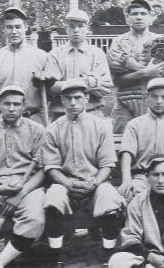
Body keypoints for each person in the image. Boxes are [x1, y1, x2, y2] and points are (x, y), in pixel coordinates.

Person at [42, 79, 125, 266]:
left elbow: (107, 164)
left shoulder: (101, 126)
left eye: (78, 98)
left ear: (86, 98)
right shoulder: (52, 129)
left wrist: (94, 183)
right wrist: (68, 184)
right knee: (53, 198)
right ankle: (56, 258)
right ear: (62, 100)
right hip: (64, 183)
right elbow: (51, 167)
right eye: (68, 98)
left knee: (109, 196)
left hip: (95, 182)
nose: (73, 103)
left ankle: (107, 254)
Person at [0, 85, 45, 267]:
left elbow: (43, 171)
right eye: (7, 104)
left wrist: (20, 195)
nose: (12, 108)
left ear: (23, 107)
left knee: (34, 219)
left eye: (16, 104)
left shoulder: (37, 130)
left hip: (28, 188)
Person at [0, 7, 48, 126]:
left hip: (33, 122)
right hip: (3, 123)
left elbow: (54, 91)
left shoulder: (42, 57)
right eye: (9, 27)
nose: (14, 31)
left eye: (18, 26)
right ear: (4, 29)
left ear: (26, 27)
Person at [107, 0, 164, 134]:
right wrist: (145, 72)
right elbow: (117, 80)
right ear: (127, 18)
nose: (139, 17)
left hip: (152, 101)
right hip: (125, 101)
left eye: (143, 13)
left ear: (150, 17)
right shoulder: (118, 42)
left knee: (153, 143)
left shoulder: (159, 41)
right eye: (134, 14)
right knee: (121, 143)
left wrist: (131, 67)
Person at [43, 10, 113, 120]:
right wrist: (85, 82)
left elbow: (103, 89)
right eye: (72, 26)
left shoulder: (97, 54)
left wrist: (65, 84)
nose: (76, 30)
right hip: (61, 114)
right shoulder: (55, 54)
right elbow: (51, 87)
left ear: (87, 29)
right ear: (66, 29)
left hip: (92, 112)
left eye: (80, 26)